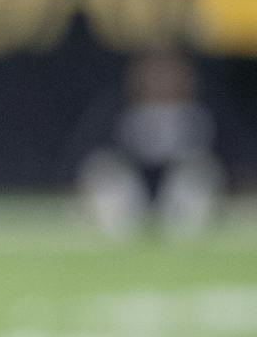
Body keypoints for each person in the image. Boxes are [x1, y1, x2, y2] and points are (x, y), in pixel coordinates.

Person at [76, 50, 224, 240]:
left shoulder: (207, 110)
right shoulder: (115, 110)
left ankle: (184, 241)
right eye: (156, 75)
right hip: (131, 191)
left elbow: (232, 158)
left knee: (200, 171)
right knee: (104, 170)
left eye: (170, 74)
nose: (162, 81)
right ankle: (119, 242)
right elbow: (90, 155)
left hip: (179, 195)